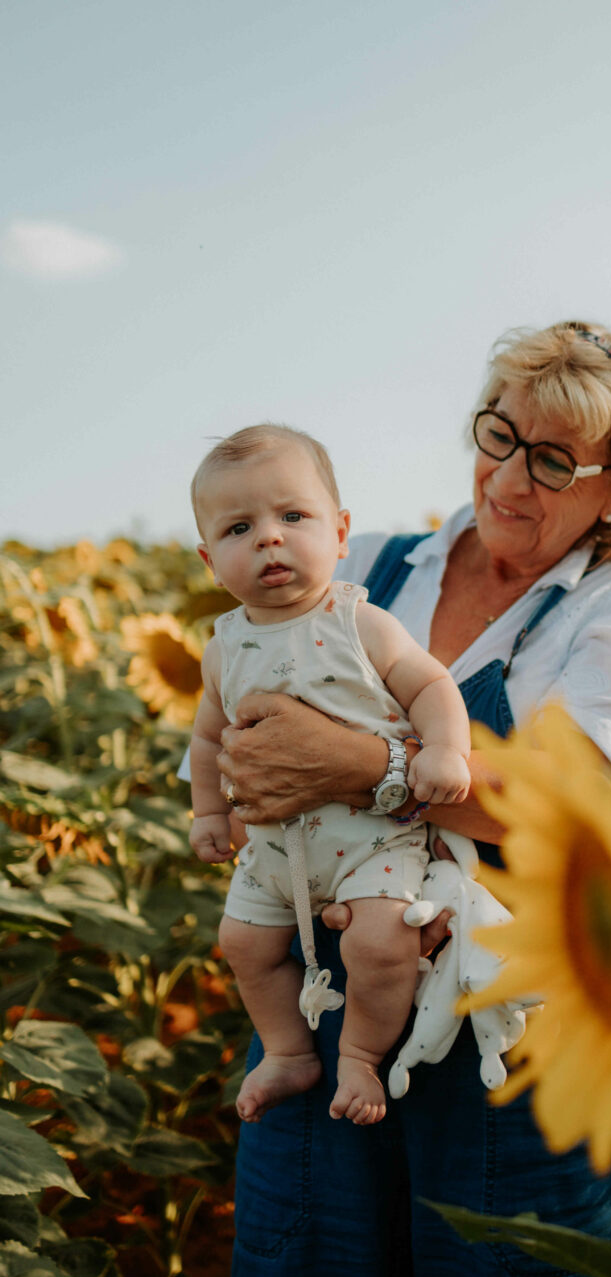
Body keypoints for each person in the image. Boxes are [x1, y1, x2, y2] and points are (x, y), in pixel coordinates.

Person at [213, 321, 611, 1277]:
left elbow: (592, 816)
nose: (508, 479)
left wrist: (363, 768)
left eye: (553, 462)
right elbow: (246, 730)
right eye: (498, 433)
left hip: (520, 1041)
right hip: (326, 997)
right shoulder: (370, 570)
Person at [188, 424, 471, 1126]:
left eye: (293, 517)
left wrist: (442, 750)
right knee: (242, 943)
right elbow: (206, 737)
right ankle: (288, 1050)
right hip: (275, 849)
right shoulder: (224, 647)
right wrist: (207, 812)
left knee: (379, 942)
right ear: (208, 559)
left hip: (370, 836)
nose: (269, 539)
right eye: (238, 528)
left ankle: (360, 1057)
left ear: (341, 532)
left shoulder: (357, 622)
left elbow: (431, 685)